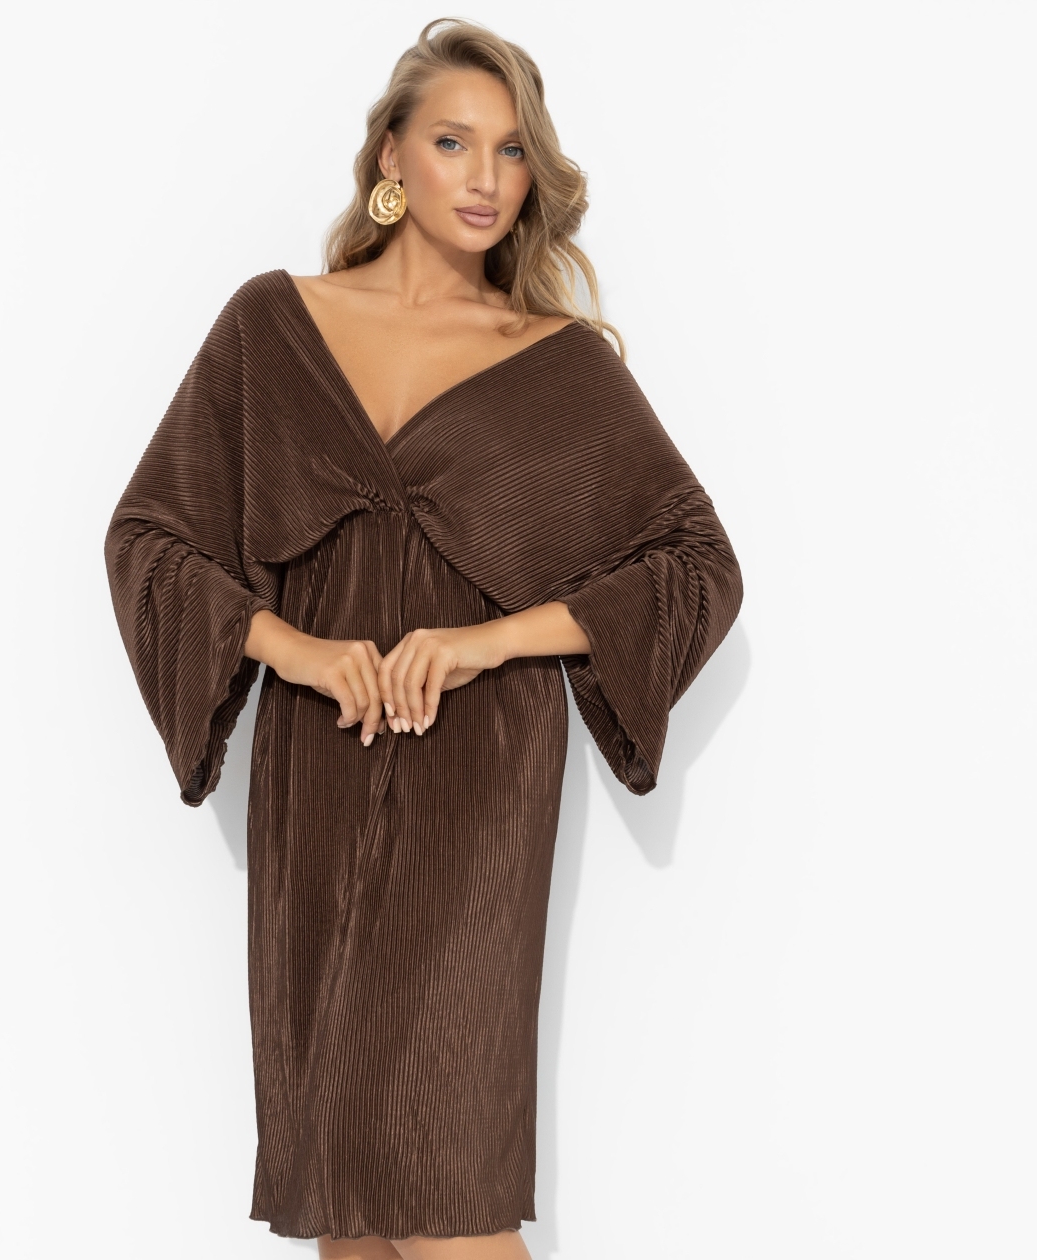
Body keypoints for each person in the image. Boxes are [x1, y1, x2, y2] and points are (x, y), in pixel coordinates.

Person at [105, 17, 742, 1260]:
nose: (486, 177)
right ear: (392, 153)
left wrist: (489, 642)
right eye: (454, 142)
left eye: (511, 150)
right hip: (317, 771)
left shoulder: (556, 367)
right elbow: (153, 536)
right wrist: (293, 648)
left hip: (478, 789)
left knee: (447, 1199)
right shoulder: (273, 326)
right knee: (345, 1207)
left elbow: (694, 564)